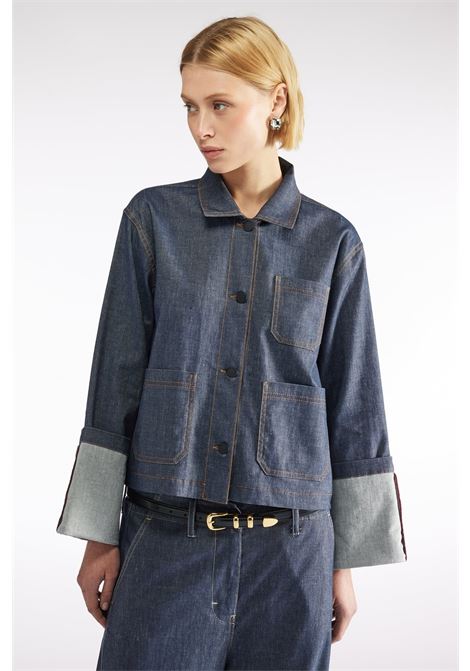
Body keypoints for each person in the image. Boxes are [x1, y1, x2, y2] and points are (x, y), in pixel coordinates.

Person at [56, 15, 407, 671]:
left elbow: (354, 402)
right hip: (165, 537)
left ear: (276, 101)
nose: (201, 128)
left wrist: (343, 562)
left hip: (292, 554)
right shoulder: (152, 221)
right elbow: (116, 379)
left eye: (220, 105)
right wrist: (99, 535)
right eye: (190, 107)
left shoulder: (333, 242)